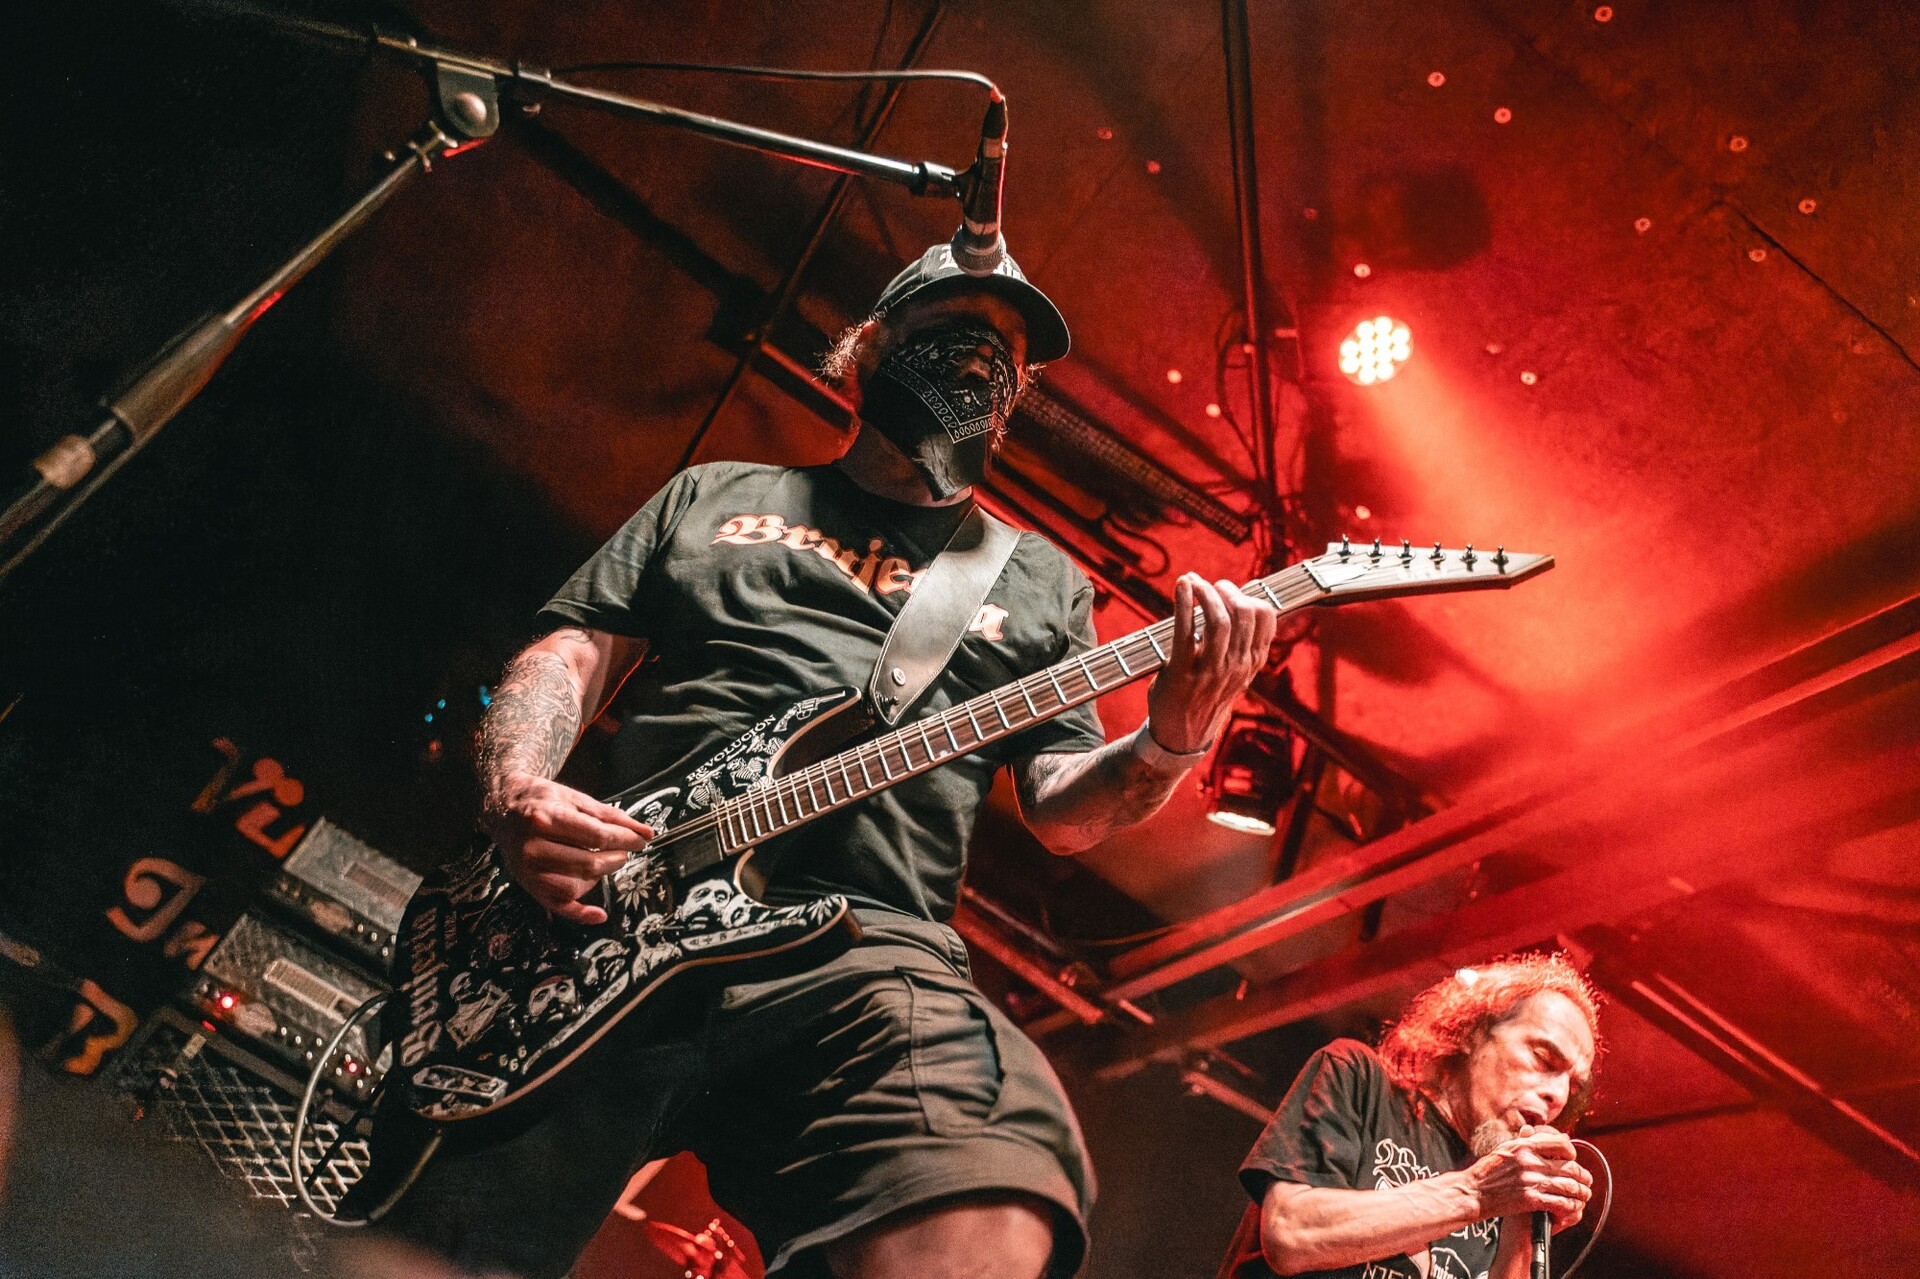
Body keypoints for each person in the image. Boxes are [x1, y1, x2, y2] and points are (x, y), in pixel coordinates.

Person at [367, 241, 1279, 1279]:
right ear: (869, 349)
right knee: (431, 1251)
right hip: (605, 913)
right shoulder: (716, 493)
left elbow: (1066, 813)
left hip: (860, 948)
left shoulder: (1036, 579)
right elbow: (569, 653)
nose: (978, 365)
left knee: (991, 1188)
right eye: (953, 334)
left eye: (1005, 356)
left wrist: (1174, 735)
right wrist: (517, 792)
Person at [1226, 954, 1602, 1279]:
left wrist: (1521, 1229)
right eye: (1544, 1059)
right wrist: (1476, 1193)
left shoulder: (1505, 1185)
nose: (1558, 1095)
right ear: (1474, 1032)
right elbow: (1289, 1233)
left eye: (1572, 1084)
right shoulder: (1358, 1076)